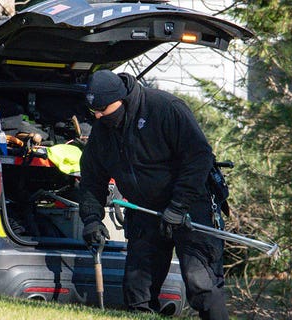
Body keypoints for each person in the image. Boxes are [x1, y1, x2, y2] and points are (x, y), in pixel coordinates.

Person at [78, 70, 228, 319]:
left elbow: (199, 156)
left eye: (103, 109)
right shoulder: (102, 130)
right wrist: (92, 219)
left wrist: (178, 206)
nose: (98, 115)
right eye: (93, 110)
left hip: (190, 205)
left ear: (121, 98)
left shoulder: (165, 108)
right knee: (138, 292)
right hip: (144, 210)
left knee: (201, 283)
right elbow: (92, 178)